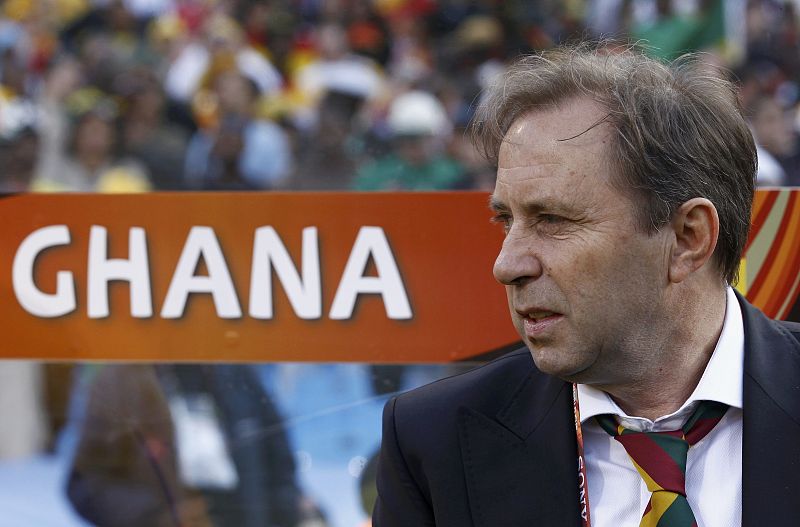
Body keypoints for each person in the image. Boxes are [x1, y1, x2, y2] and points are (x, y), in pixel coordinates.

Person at [373, 43, 800, 526]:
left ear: (687, 238)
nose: (507, 264)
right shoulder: (433, 442)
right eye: (504, 220)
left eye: (552, 219)